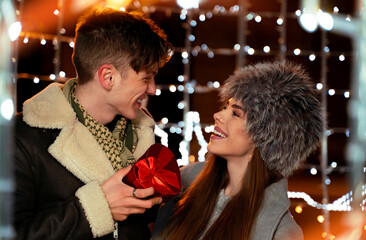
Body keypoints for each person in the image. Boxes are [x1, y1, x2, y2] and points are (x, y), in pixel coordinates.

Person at [12, 7, 172, 239]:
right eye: (146, 78)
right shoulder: (22, 138)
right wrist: (98, 207)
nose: (152, 89)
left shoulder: (141, 134)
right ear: (108, 77)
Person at [153, 61, 324, 240]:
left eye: (236, 114)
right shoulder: (182, 183)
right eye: (225, 107)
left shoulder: (282, 233)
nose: (218, 115)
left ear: (265, 139)